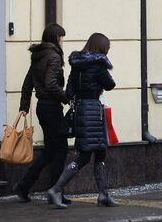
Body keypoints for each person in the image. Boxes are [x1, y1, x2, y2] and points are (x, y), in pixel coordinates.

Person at [47, 32, 117, 209]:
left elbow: (69, 91)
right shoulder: (99, 64)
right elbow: (110, 84)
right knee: (85, 156)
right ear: (102, 48)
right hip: (93, 110)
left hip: (81, 110)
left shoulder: (77, 66)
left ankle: (104, 195)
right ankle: (56, 189)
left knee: (100, 152)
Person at [13, 23, 71, 204]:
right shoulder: (53, 57)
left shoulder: (38, 56)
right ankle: (55, 192)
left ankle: (24, 186)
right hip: (52, 108)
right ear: (55, 38)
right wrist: (67, 99)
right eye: (61, 37)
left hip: (42, 107)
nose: (62, 41)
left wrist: (25, 106)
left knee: (50, 151)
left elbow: (27, 84)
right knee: (60, 150)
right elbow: (51, 84)